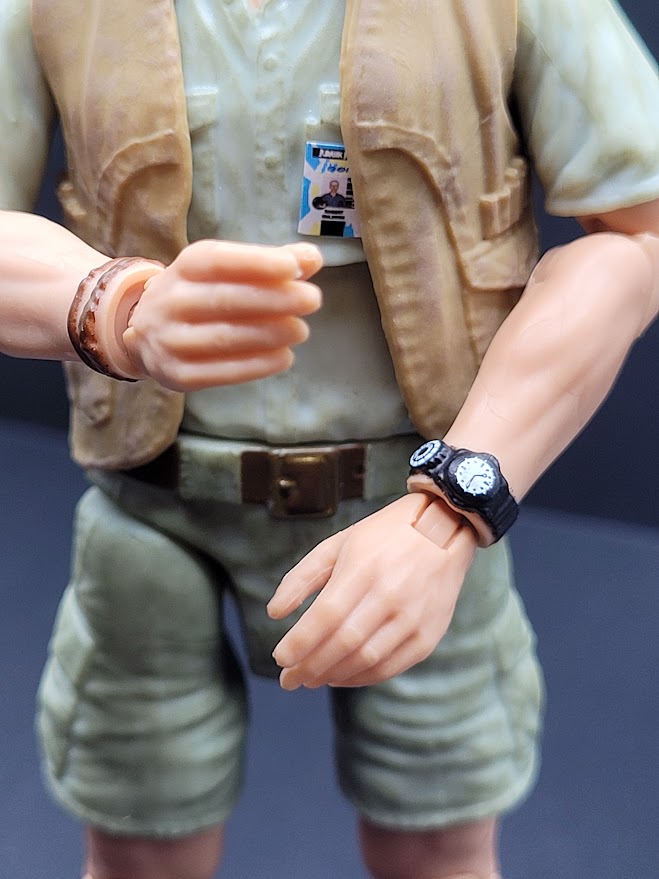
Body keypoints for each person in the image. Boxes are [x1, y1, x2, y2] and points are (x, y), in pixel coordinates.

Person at [1, 1, 658, 878]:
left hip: (410, 506)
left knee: (437, 842)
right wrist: (111, 305)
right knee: (139, 845)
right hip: (156, 513)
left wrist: (451, 506)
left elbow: (636, 237)